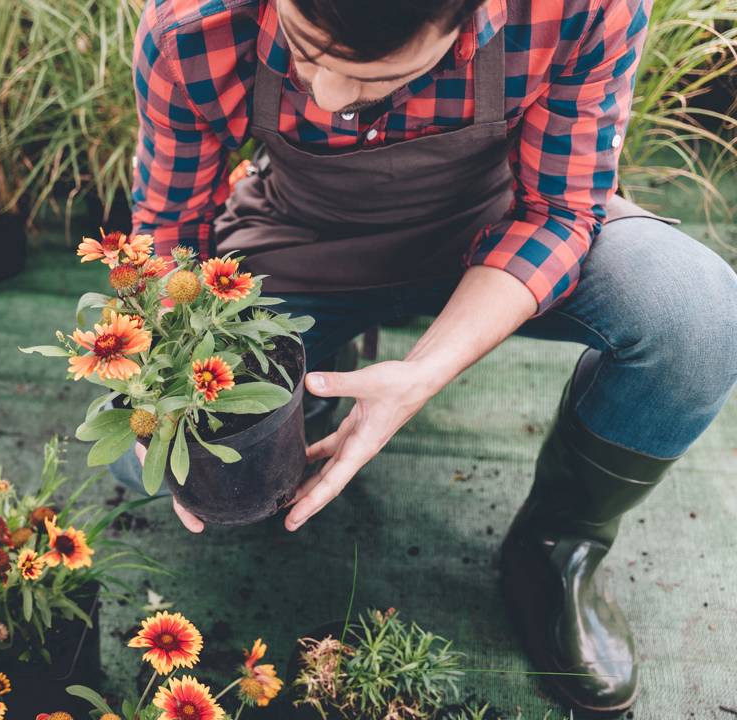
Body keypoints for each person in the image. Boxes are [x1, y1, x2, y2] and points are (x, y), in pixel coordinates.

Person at [124, 0, 737, 713]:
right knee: (151, 462)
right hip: (301, 239)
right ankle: (308, 392)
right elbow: (169, 233)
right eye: (305, 49)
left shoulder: (577, 8)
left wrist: (422, 374)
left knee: (697, 314)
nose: (326, 96)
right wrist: (163, 389)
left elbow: (559, 213)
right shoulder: (193, 27)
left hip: (501, 227)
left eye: (370, 78)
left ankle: (557, 550)